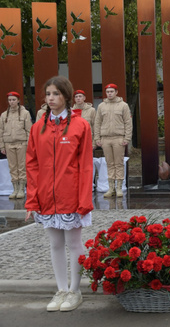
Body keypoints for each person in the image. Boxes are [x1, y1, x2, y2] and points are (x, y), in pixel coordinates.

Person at [25, 76, 94, 312]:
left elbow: (86, 165)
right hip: (46, 197)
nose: (51, 98)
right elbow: (32, 165)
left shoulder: (80, 125)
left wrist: (84, 199)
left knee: (73, 243)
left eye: (55, 94)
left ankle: (75, 291)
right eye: (48, 94)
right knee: (55, 244)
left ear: (65, 96)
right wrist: (32, 200)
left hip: (71, 196)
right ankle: (61, 289)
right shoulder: (37, 128)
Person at [93, 83, 132, 198]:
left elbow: (128, 123)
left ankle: (119, 187)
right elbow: (97, 123)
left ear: (116, 92)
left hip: (118, 138)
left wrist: (127, 138)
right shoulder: (101, 106)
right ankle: (111, 188)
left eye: (111, 91)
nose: (109, 94)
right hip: (105, 138)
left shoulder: (123, 105)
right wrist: (97, 138)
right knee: (109, 163)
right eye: (107, 92)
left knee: (119, 163)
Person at [0, 91, 32, 199]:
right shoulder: (4, 115)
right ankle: (15, 189)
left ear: (18, 100)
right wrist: (2, 146)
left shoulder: (25, 113)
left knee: (22, 166)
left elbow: (29, 130)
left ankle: (21, 189)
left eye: (14, 100)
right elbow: (1, 131)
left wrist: (28, 144)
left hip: (21, 143)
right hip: (9, 144)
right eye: (9, 100)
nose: (11, 102)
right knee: (12, 167)